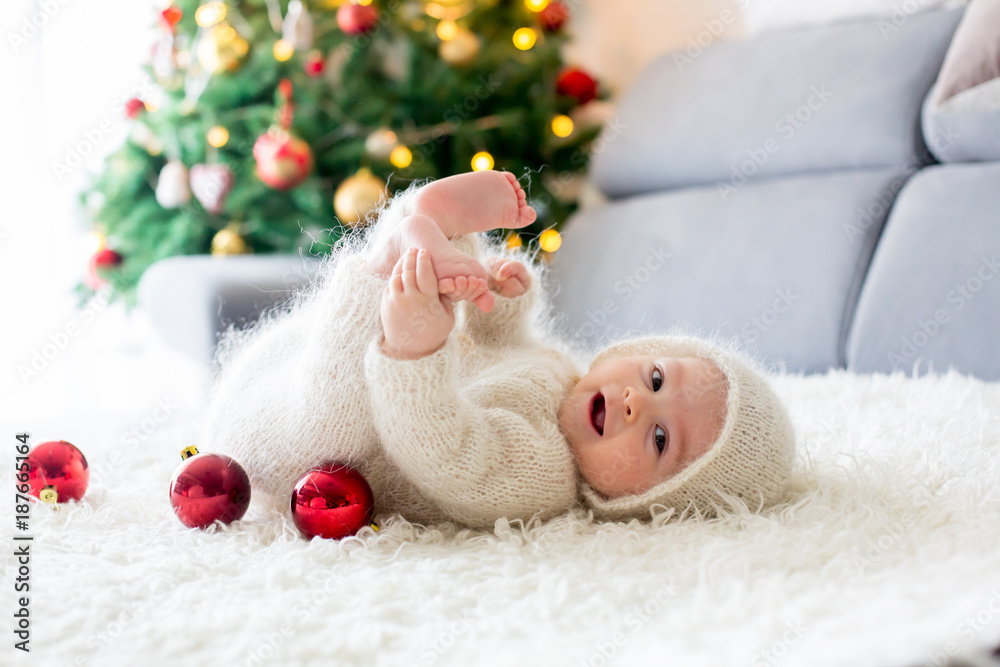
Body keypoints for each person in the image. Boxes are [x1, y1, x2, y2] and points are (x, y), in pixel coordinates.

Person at [200, 171, 796, 529]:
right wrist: (499, 295)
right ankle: (431, 232)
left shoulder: (539, 481)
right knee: (444, 287)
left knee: (334, 432)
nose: (639, 404)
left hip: (282, 457)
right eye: (657, 378)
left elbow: (446, 447)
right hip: (285, 367)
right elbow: (503, 345)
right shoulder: (562, 376)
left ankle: (398, 249)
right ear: (641, 351)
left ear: (642, 500)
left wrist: (417, 351)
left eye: (661, 441)